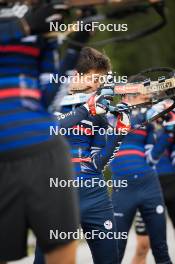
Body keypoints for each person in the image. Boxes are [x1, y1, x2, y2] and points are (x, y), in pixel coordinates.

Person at [0, 2, 86, 263]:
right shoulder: (28, 22)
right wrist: (23, 27)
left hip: (46, 151)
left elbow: (48, 98)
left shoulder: (36, 18)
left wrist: (74, 48)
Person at [34, 46, 131, 264]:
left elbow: (97, 163)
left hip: (95, 195)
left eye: (101, 82)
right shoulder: (49, 100)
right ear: (75, 75)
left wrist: (119, 134)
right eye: (94, 79)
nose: (97, 87)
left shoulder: (97, 113)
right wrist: (85, 110)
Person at [109, 75, 172, 263]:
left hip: (149, 184)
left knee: (161, 249)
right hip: (123, 188)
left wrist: (168, 134)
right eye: (143, 97)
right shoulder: (111, 116)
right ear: (127, 95)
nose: (147, 100)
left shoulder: (148, 120)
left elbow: (152, 158)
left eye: (147, 98)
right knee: (115, 251)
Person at [131, 111, 175, 264]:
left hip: (171, 182)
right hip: (146, 184)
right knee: (143, 246)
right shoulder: (137, 120)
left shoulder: (169, 117)